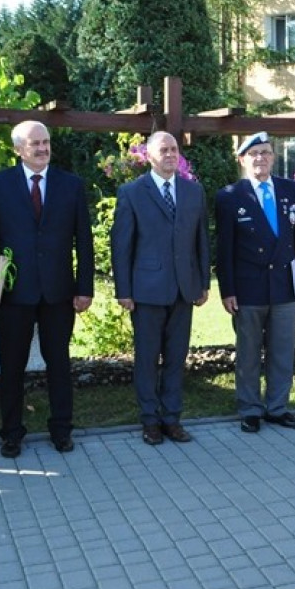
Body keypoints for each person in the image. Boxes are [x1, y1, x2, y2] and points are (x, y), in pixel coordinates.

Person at [0, 120, 94, 458]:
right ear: (18, 149)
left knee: (59, 363)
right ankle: (11, 433)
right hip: (13, 293)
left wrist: (85, 287)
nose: (42, 148)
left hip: (58, 292)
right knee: (11, 366)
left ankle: (62, 430)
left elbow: (84, 240)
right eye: (35, 143)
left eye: (46, 142)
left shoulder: (71, 185)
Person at [111, 131, 210, 445]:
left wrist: (203, 283)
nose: (170, 155)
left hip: (184, 288)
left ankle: (172, 419)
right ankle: (150, 420)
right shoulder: (132, 192)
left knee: (176, 358)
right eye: (164, 150)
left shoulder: (193, 191)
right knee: (147, 359)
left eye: (174, 149)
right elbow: (121, 245)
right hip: (146, 290)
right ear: (149, 156)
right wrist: (124, 290)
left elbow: (201, 241)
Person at [215, 131, 295, 433]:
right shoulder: (230, 196)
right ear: (242, 159)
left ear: (273, 157)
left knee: (282, 351)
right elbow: (224, 249)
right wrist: (228, 290)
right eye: (254, 154)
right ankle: (250, 409)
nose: (261, 158)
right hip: (249, 287)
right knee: (248, 353)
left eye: (266, 152)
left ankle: (278, 407)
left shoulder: (290, 190)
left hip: (283, 284)